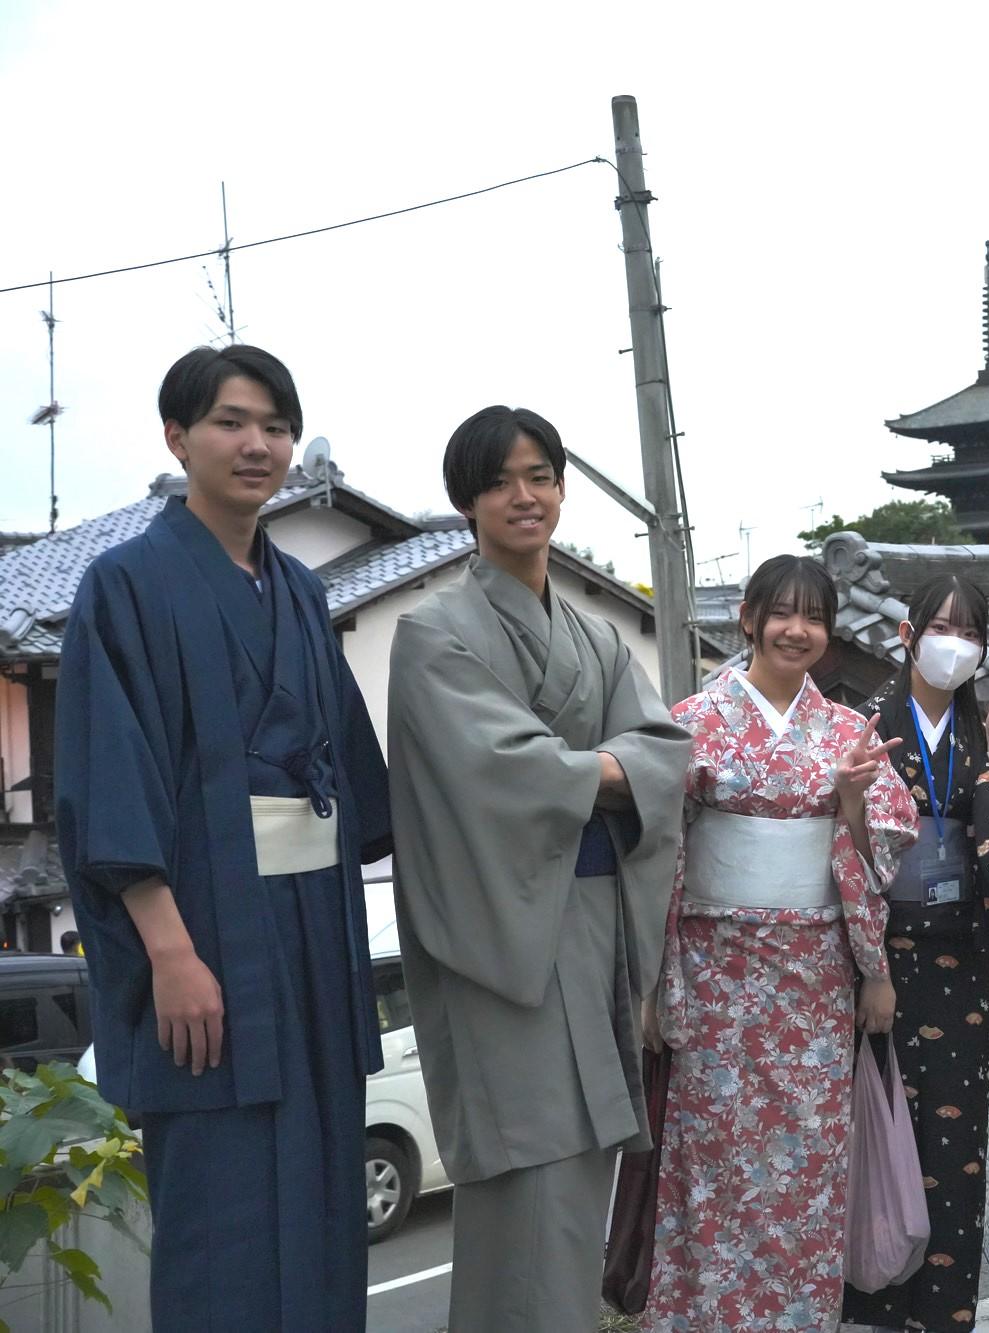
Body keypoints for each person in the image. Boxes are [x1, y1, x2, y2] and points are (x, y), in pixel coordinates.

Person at [54, 344, 392, 1330]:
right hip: (204, 932)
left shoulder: (300, 590)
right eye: (232, 422)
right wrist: (168, 951)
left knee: (327, 1203)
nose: (259, 444)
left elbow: (353, 788)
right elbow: (106, 779)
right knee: (224, 1215)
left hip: (311, 934)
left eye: (276, 426)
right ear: (177, 437)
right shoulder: (124, 585)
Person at [387, 405, 690, 1332]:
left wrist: (602, 771)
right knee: (528, 1176)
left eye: (542, 476)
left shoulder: (596, 636)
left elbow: (665, 751)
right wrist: (605, 770)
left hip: (593, 929)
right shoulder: (432, 633)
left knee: (581, 1173)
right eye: (500, 481)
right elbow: (496, 771)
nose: (525, 496)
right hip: (503, 941)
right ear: (467, 502)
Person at [646, 554, 918, 1332]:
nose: (797, 630)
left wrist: (855, 801)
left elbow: (881, 849)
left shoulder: (846, 731)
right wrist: (654, 984)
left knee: (808, 1168)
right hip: (713, 973)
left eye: (814, 617)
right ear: (749, 618)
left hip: (812, 979)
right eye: (782, 613)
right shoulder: (691, 719)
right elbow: (657, 850)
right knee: (712, 1166)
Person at [842, 575, 989, 1332]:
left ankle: (946, 1315)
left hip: (962, 956)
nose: (954, 643)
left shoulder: (982, 729)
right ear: (906, 636)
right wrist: (867, 964)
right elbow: (839, 839)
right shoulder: (865, 724)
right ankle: (875, 1307)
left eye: (970, 631)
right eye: (941, 626)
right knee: (882, 1134)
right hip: (882, 960)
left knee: (955, 1147)